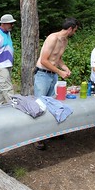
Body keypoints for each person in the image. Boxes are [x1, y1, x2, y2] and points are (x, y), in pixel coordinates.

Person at [33, 17, 79, 150]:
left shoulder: (65, 41)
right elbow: (44, 60)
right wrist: (60, 72)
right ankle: (37, 138)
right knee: (40, 106)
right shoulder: (53, 38)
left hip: (53, 76)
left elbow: (57, 58)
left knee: (53, 105)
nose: (74, 33)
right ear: (70, 29)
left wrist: (64, 68)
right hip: (42, 74)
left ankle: (50, 133)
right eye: (74, 30)